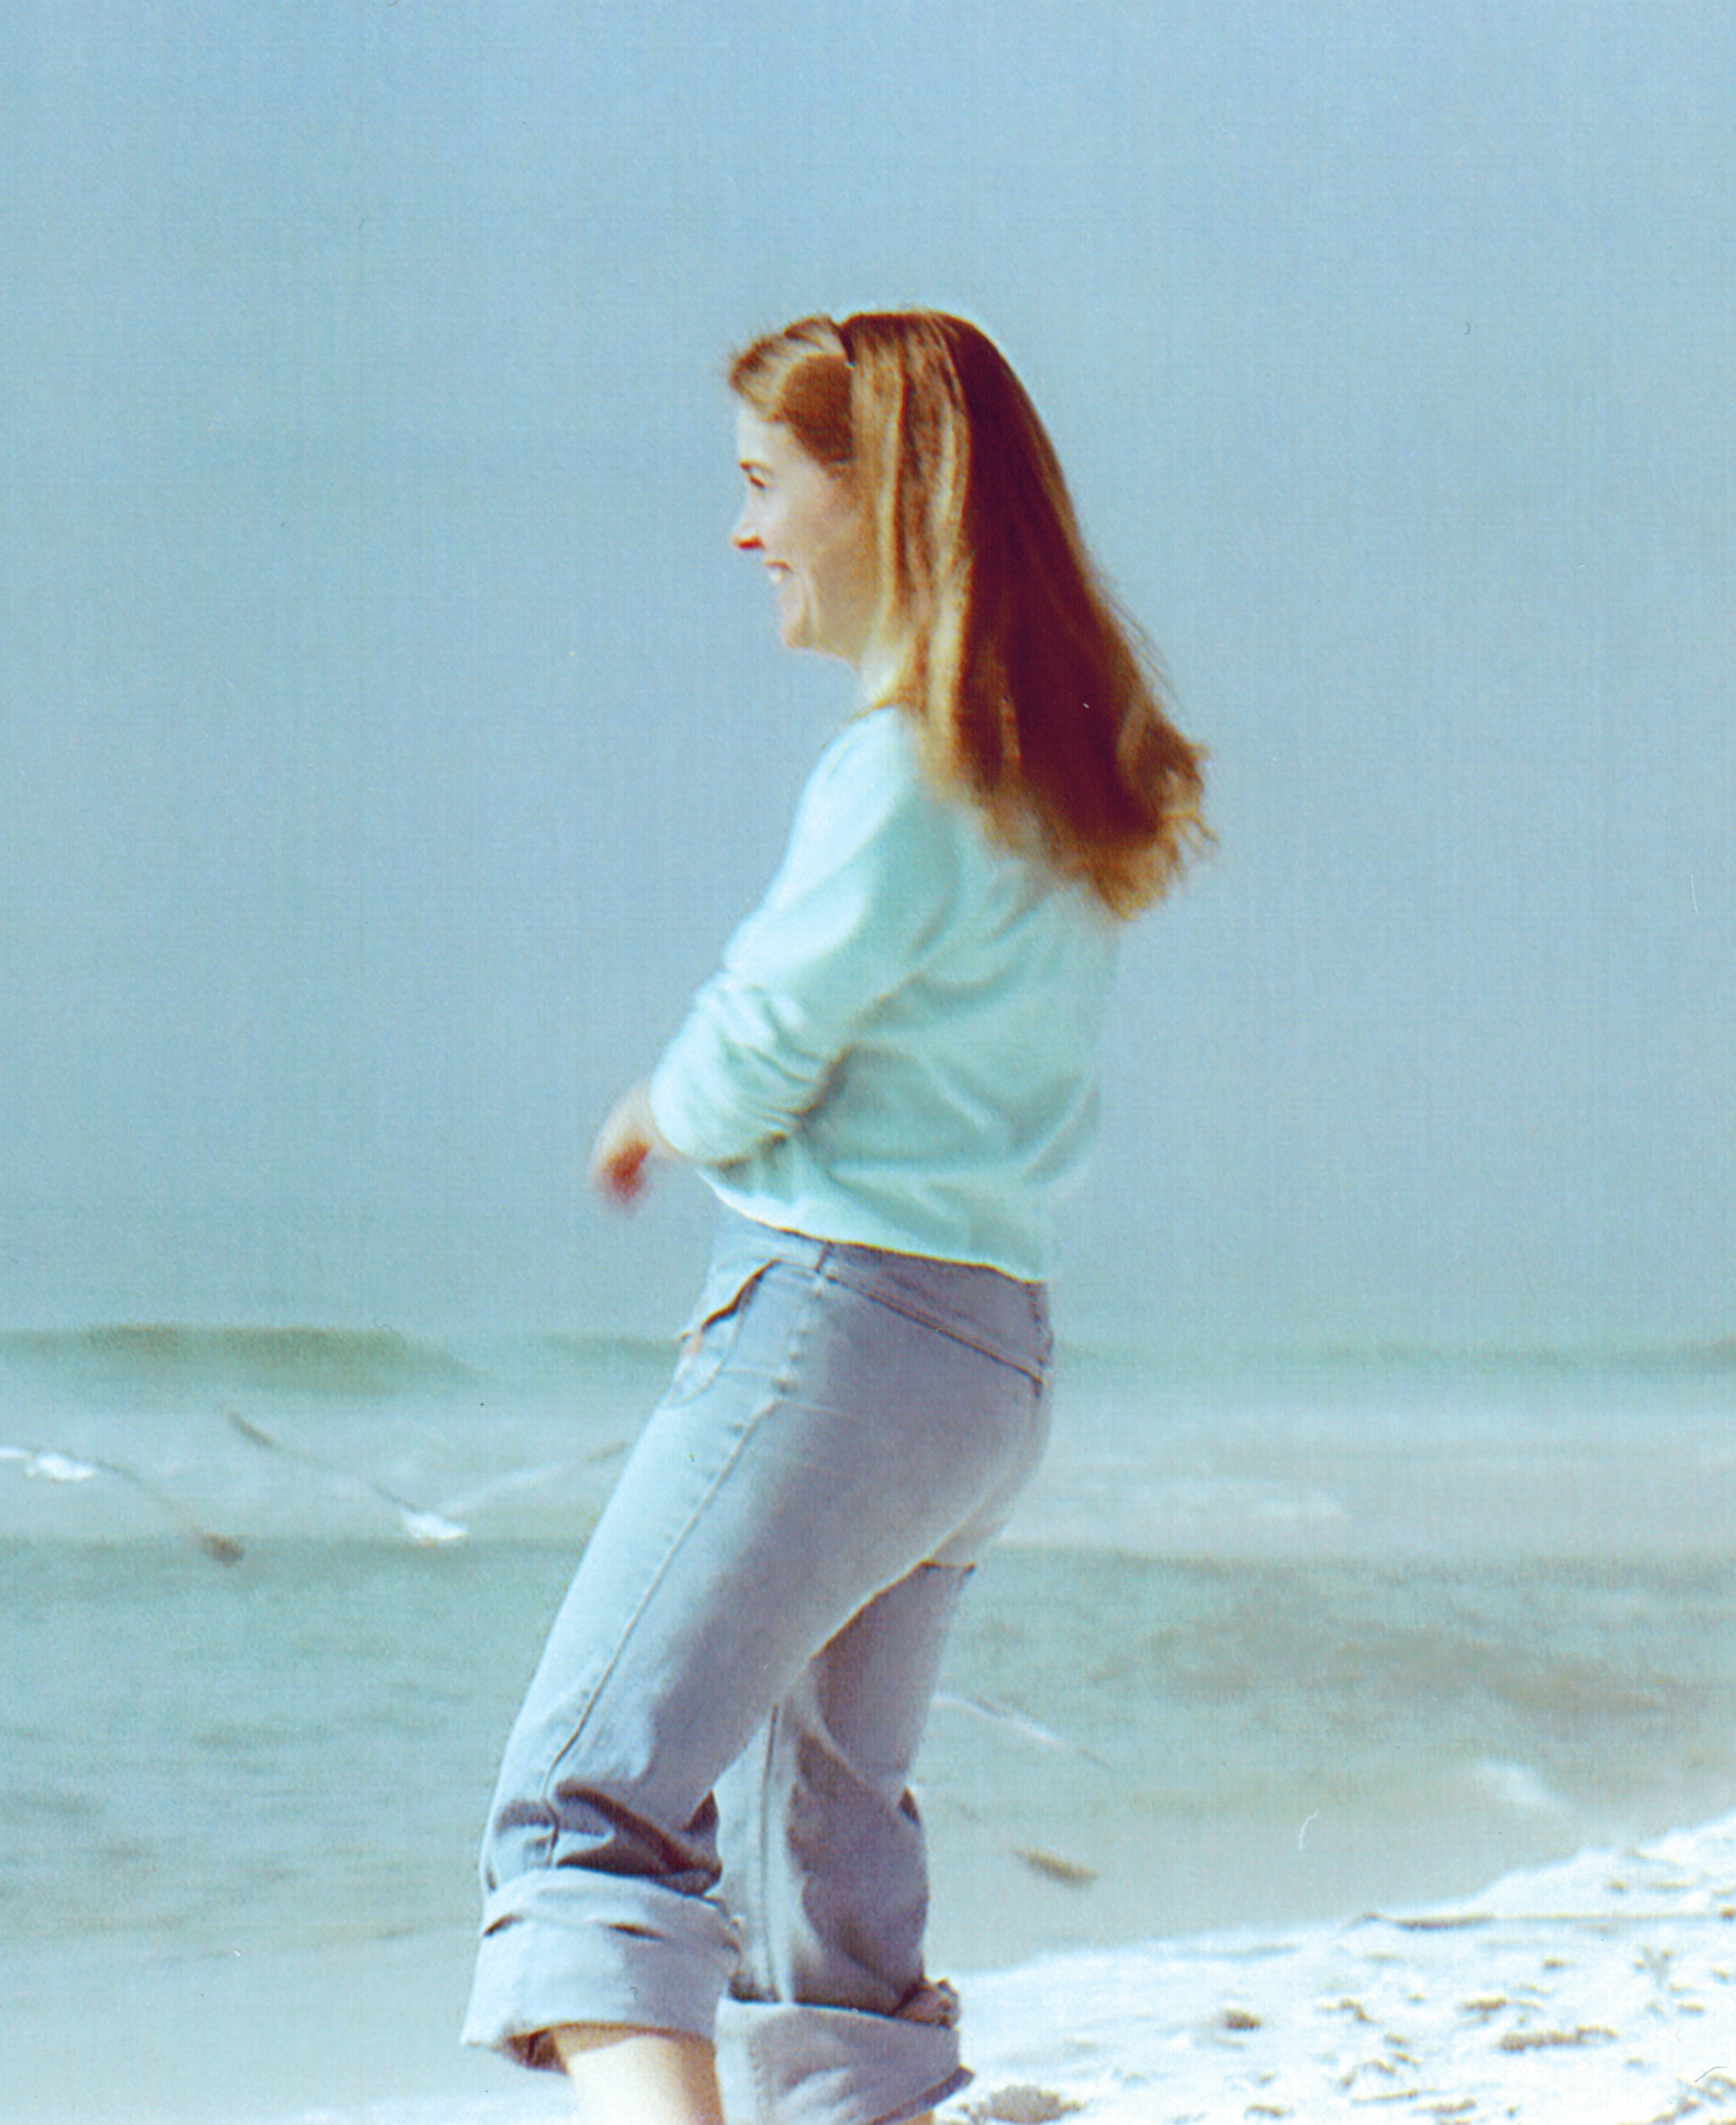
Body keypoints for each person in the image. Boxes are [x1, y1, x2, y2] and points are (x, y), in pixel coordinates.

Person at [461, 312, 1208, 2125]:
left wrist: (654, 1108)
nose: (742, 532)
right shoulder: (1054, 783)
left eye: (762, 482)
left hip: (835, 1324)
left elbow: (762, 1042)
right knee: (825, 1847)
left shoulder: (900, 768)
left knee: (586, 1809)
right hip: (985, 1365)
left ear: (885, 492)